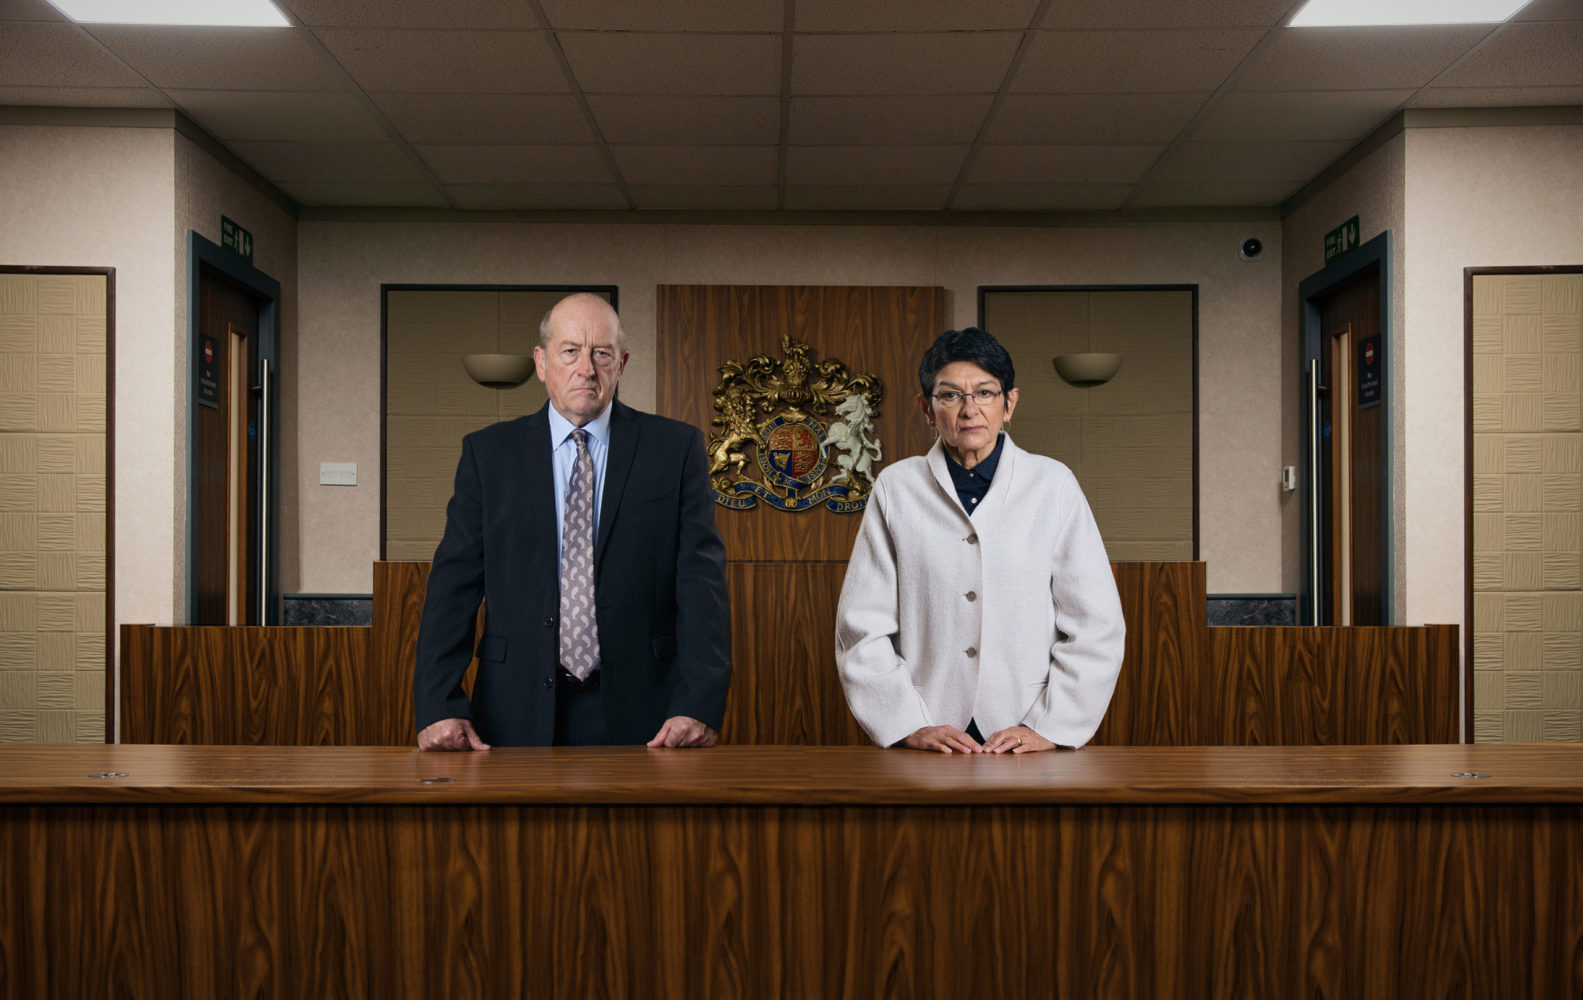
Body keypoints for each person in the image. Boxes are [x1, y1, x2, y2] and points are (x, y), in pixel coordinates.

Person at [413, 293, 731, 749]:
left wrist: (699, 703)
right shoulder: (489, 456)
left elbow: (703, 588)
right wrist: (439, 704)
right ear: (542, 363)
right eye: (570, 351)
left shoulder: (673, 451)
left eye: (601, 353)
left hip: (647, 715)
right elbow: (452, 588)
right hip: (512, 710)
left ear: (621, 364)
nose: (586, 368)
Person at [835, 327, 1124, 753]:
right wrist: (905, 722)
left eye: (985, 393)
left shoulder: (1053, 485)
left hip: (1026, 724)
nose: (969, 409)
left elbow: (1095, 624)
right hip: (930, 724)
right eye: (950, 395)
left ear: (1010, 404)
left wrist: (1052, 724)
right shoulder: (896, 488)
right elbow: (862, 626)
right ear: (927, 409)